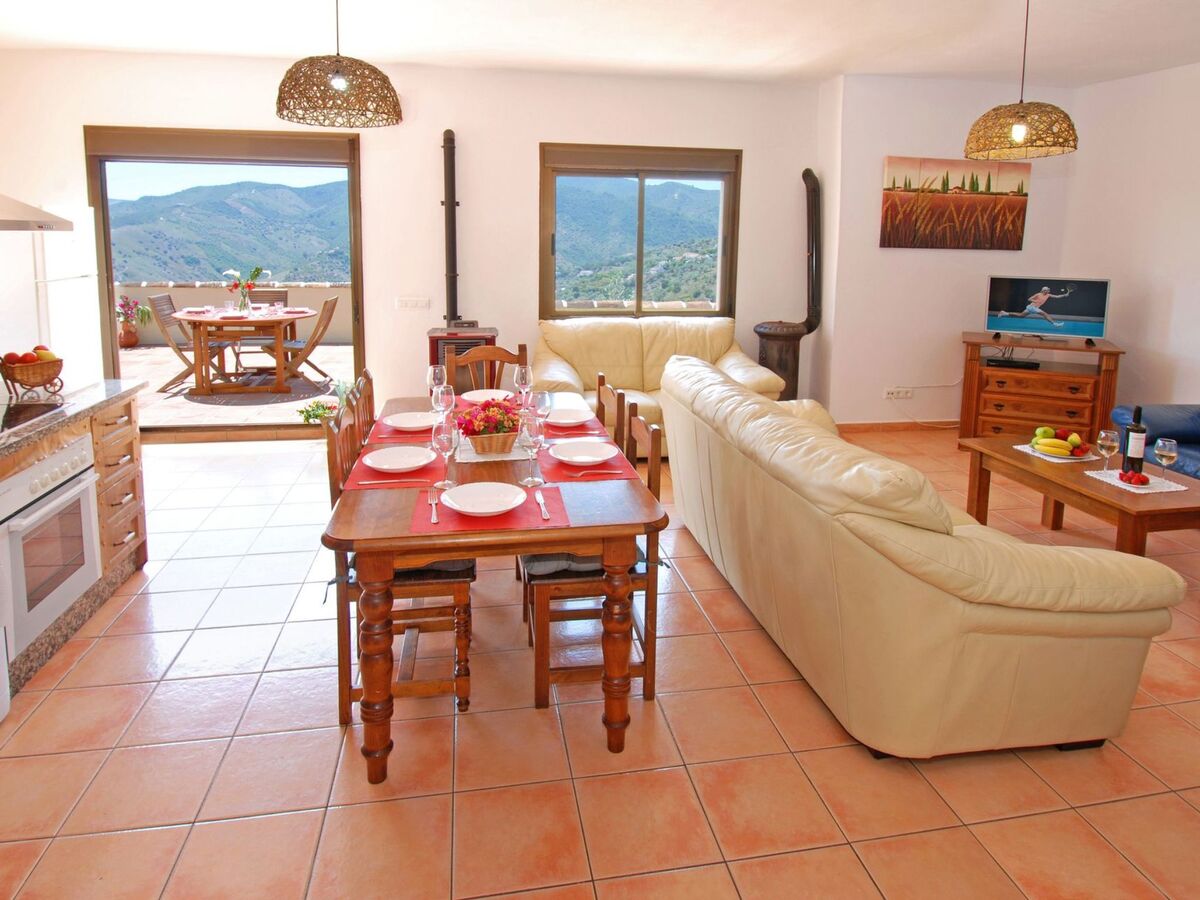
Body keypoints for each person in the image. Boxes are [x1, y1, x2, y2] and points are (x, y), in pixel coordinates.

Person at [998, 285, 1074, 326]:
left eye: (1048, 290)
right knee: (1044, 314)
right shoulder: (1038, 294)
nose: (1048, 290)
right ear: (1044, 290)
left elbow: (1057, 296)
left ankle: (1004, 313)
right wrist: (1035, 301)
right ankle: (1055, 324)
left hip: (1032, 308)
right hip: (1032, 307)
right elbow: (1029, 299)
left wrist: (1065, 295)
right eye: (1047, 290)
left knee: (1021, 315)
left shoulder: (1048, 295)